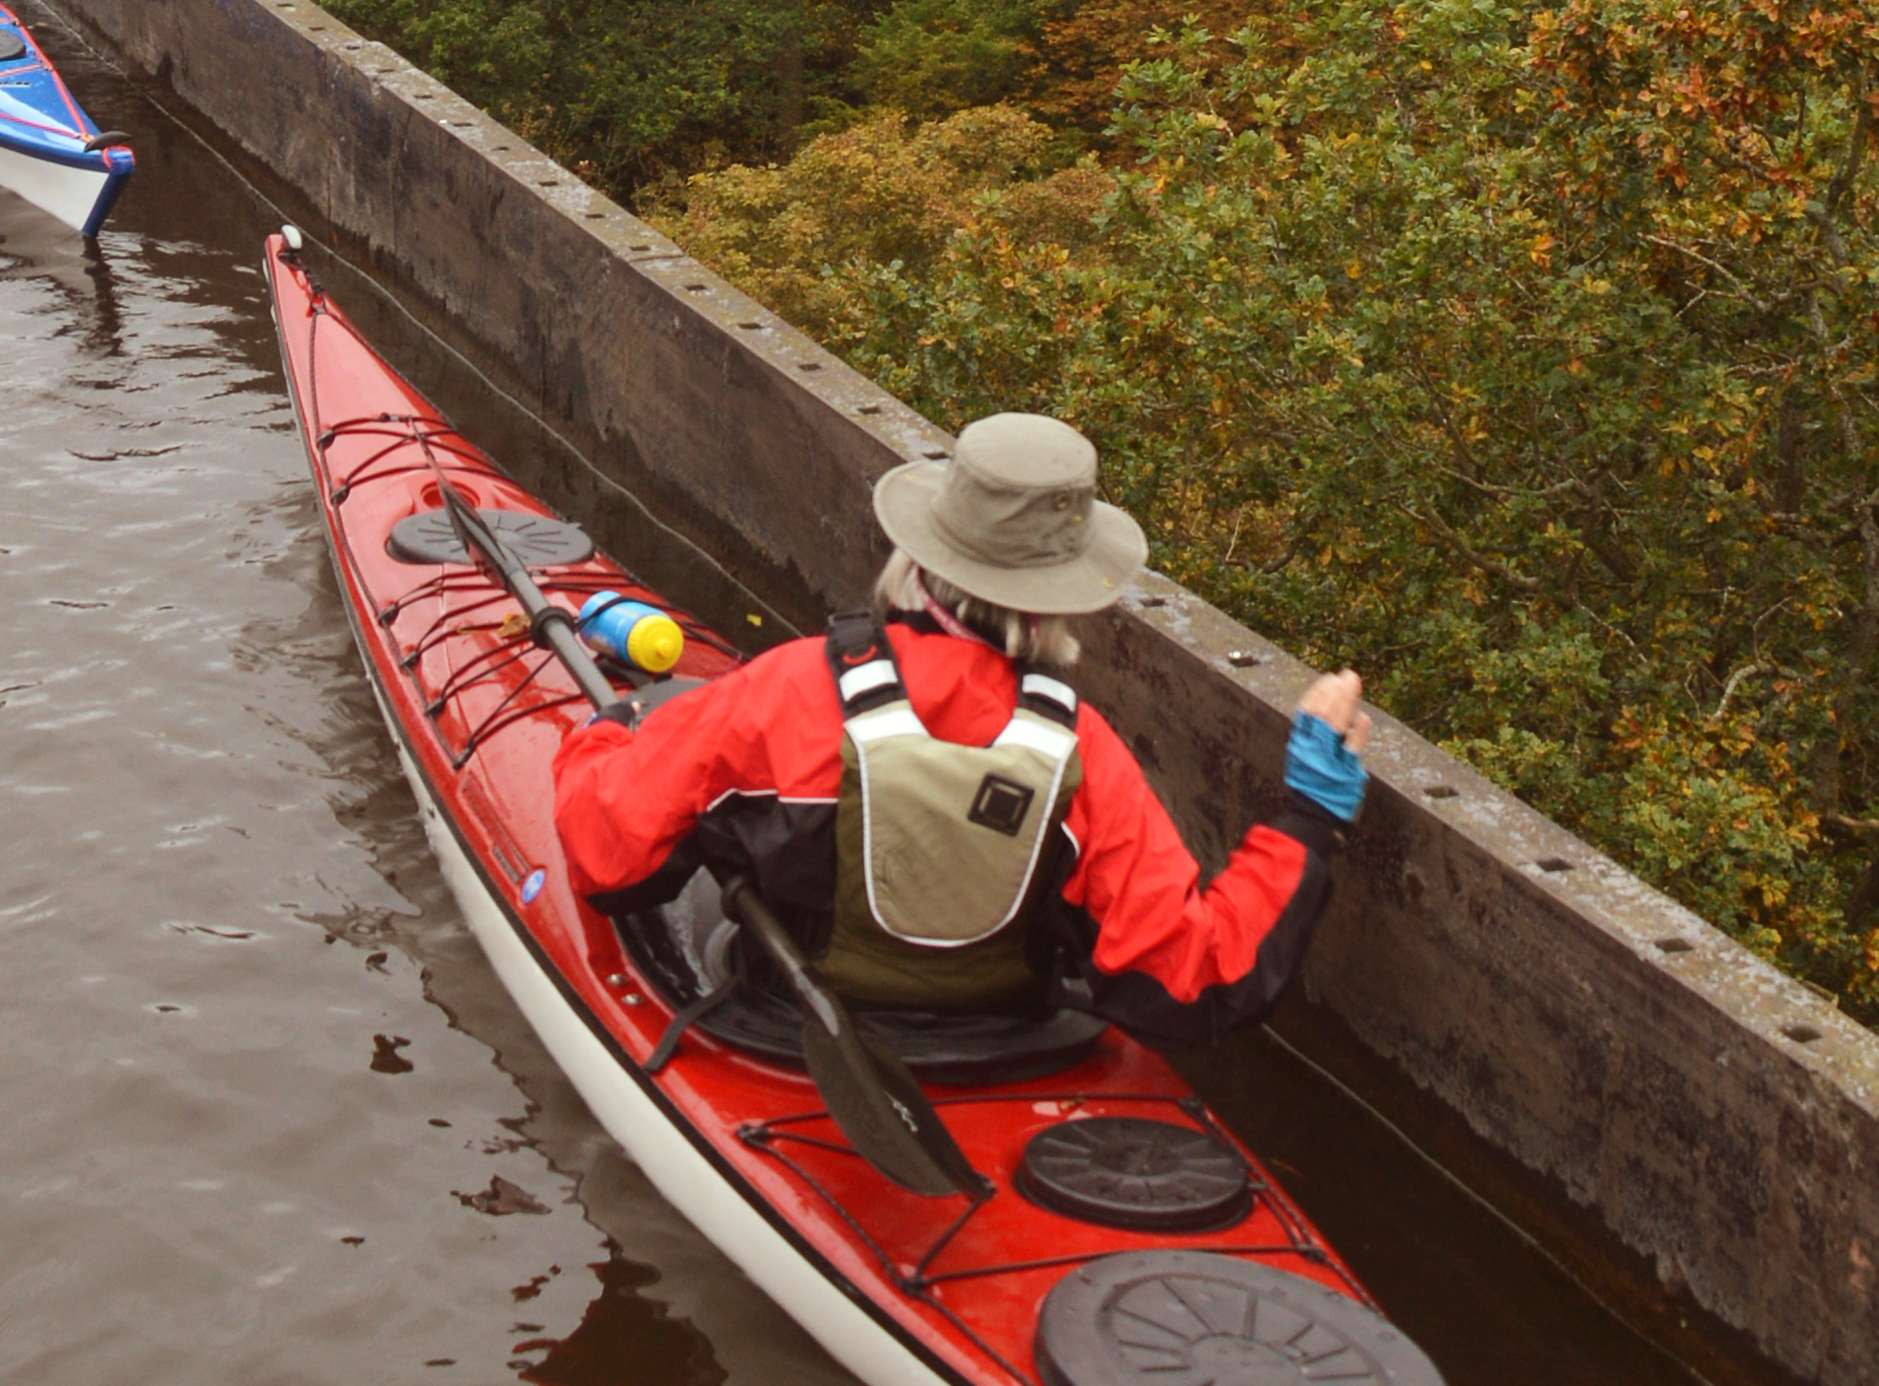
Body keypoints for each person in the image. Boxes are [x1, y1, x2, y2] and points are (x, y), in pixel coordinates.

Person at [549, 408, 1370, 1052]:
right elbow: (1196, 983)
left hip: (790, 1030)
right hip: (1012, 1046)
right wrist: (1311, 816)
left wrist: (608, 732)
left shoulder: (788, 689)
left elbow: (607, 860)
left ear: (921, 556)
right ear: (1061, 594)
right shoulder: (1084, 755)